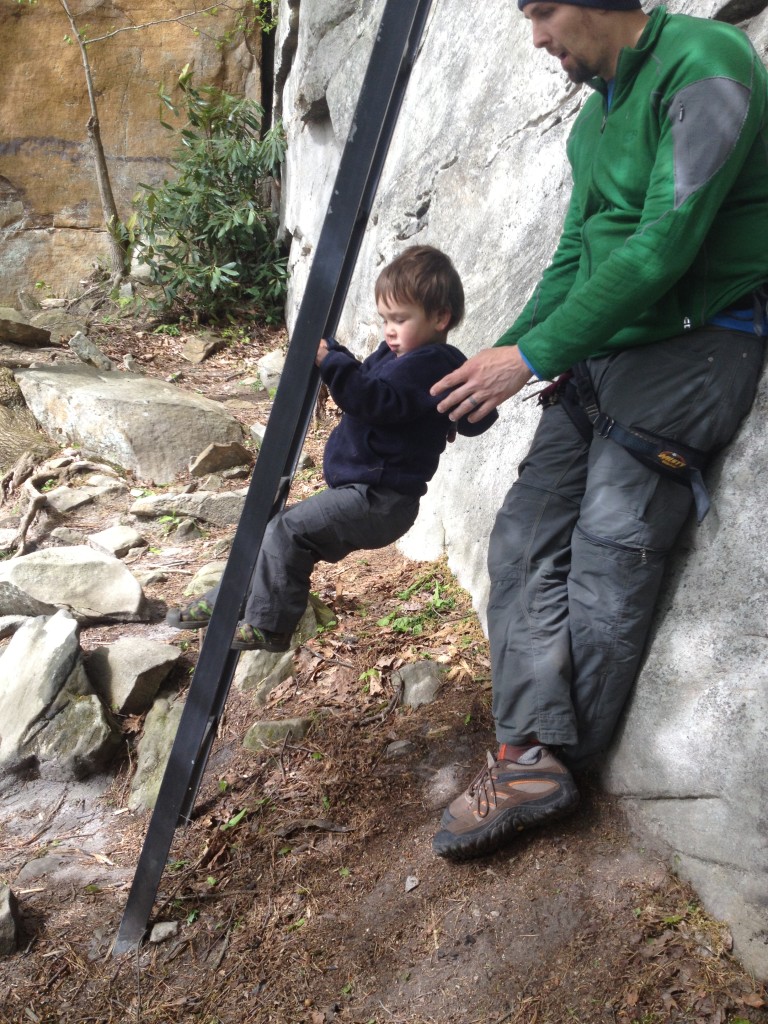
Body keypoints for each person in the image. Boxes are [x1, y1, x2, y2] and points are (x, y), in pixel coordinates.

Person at [429, 0, 768, 861]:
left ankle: (549, 760)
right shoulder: (594, 118)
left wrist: (535, 353)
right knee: (521, 536)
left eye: (543, 11)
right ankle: (531, 752)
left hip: (698, 343)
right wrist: (510, 352)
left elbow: (667, 243)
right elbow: (577, 255)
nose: (537, 38)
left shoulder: (708, 60)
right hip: (600, 358)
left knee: (609, 552)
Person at [167, 244, 497, 650]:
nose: (389, 330)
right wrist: (338, 356)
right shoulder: (401, 355)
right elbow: (369, 379)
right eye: (384, 320)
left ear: (440, 318)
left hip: (380, 499)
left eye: (400, 319)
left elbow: (371, 398)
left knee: (286, 531)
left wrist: (332, 363)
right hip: (362, 495)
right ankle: (225, 602)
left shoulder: (433, 361)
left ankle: (270, 626)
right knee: (272, 530)